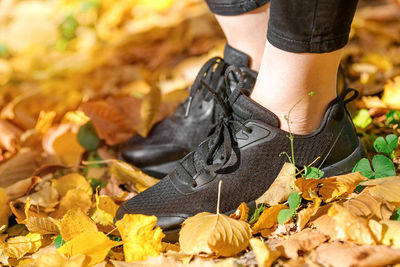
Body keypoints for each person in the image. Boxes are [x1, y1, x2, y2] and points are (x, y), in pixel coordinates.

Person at [116, 0, 364, 241]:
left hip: (299, 112)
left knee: (292, 88)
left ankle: (298, 104)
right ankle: (258, 60)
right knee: (249, 37)